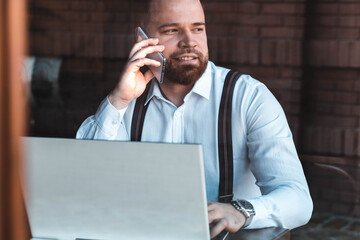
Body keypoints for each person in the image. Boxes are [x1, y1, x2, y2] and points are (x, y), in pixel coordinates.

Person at [77, 0, 313, 238]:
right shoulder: (126, 103)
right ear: (142, 39)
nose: (189, 42)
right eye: (172, 30)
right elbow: (85, 186)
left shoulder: (248, 97)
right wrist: (118, 101)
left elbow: (298, 198)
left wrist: (241, 211)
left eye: (198, 28)